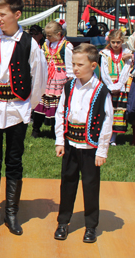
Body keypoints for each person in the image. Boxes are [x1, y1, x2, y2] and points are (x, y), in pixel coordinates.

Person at [0, 0, 47, 236]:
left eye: (3, 14)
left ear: (17, 15)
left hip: (18, 108)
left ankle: (12, 214)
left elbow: (39, 78)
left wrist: (27, 104)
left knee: (14, 161)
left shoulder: (30, 43)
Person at [54, 43, 112, 244]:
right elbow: (61, 112)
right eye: (73, 64)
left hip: (90, 147)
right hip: (70, 144)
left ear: (93, 65)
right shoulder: (69, 86)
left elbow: (107, 121)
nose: (75, 68)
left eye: (80, 64)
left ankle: (90, 226)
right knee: (67, 183)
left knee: (90, 185)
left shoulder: (102, 90)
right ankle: (63, 222)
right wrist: (60, 140)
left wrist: (101, 150)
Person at [32, 21, 73, 138]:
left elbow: (69, 64)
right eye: (47, 35)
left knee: (57, 104)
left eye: (50, 35)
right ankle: (36, 128)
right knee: (41, 102)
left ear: (59, 34)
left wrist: (70, 79)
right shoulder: (45, 44)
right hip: (46, 77)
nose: (47, 37)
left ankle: (55, 129)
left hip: (59, 78)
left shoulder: (66, 46)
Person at [100, 30, 133, 145]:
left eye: (118, 42)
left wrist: (119, 85)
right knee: (107, 110)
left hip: (121, 86)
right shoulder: (105, 54)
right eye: (113, 42)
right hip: (109, 86)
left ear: (122, 41)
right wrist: (110, 85)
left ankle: (113, 137)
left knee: (118, 112)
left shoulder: (126, 53)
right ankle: (106, 136)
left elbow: (126, 69)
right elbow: (104, 72)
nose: (115, 45)